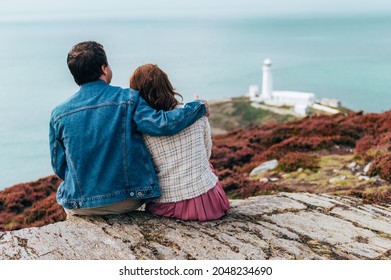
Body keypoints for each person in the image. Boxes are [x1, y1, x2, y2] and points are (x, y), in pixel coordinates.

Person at [49, 41, 208, 216]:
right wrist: (198, 106)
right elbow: (163, 124)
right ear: (104, 69)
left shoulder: (58, 114)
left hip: (79, 205)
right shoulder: (128, 99)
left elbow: (59, 166)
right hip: (126, 200)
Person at [129, 64, 230, 222]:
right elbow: (207, 153)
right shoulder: (196, 113)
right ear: (167, 85)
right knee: (207, 165)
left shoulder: (142, 128)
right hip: (211, 202)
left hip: (169, 204)